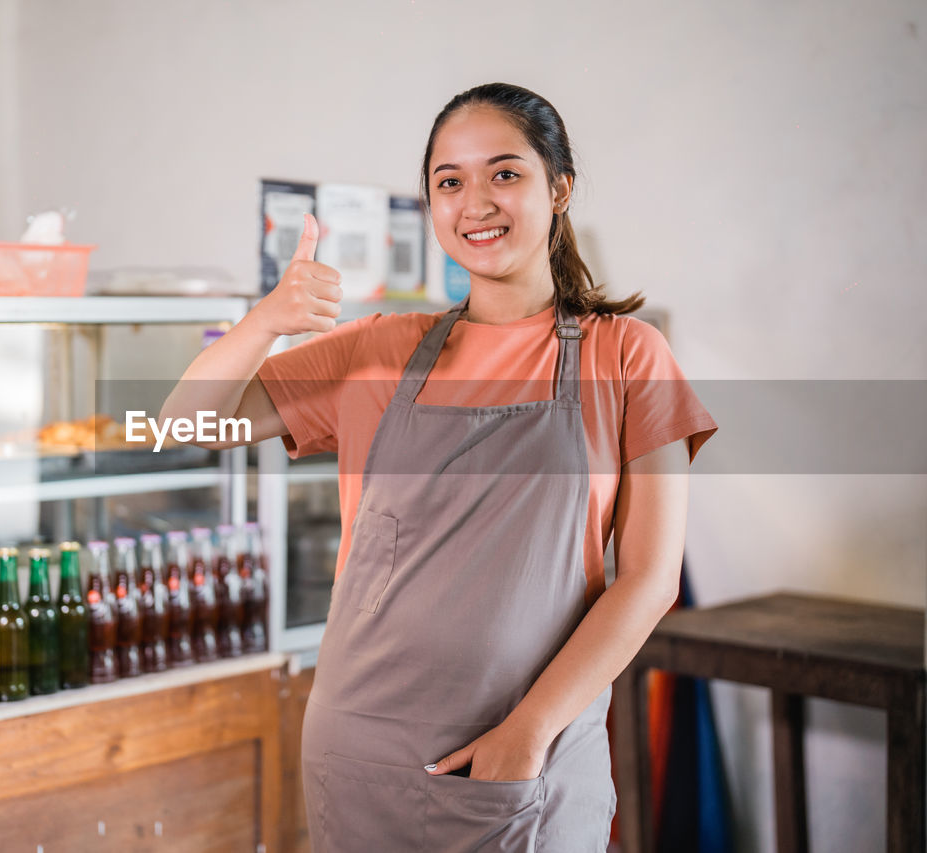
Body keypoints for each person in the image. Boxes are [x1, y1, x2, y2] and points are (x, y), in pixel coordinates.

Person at [162, 82, 717, 851]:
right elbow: (180, 424)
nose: (475, 203)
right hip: (358, 749)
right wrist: (270, 318)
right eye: (449, 182)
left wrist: (527, 732)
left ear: (559, 188)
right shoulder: (379, 349)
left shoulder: (627, 355)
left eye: (505, 174)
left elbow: (649, 579)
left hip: (526, 751)